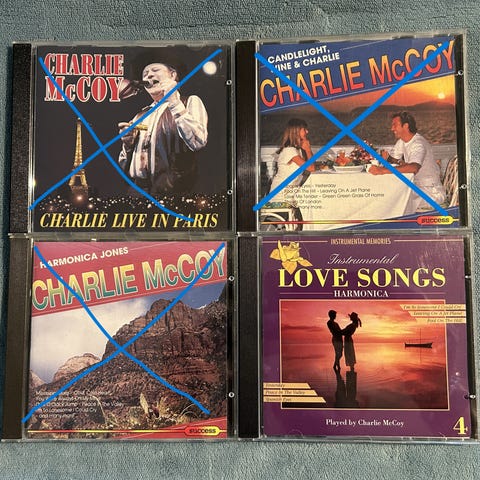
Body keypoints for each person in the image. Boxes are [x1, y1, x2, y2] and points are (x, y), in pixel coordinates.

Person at [118, 59, 208, 193]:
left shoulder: (189, 102)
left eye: (155, 70)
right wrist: (128, 145)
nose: (149, 75)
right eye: (145, 74)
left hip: (172, 192)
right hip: (137, 192)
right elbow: (123, 165)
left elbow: (198, 141)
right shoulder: (139, 116)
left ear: (172, 75)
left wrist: (175, 103)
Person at [368, 111, 446, 212]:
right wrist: (387, 158)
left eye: (395, 125)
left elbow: (414, 168)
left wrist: (382, 170)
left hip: (430, 193)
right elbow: (394, 159)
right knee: (387, 195)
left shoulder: (418, 144)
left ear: (405, 126)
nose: (392, 129)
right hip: (417, 187)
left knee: (392, 200)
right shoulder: (403, 141)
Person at [268, 118, 315, 203]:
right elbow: (311, 168)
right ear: (296, 131)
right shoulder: (290, 151)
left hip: (289, 193)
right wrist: (308, 149)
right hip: (280, 196)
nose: (307, 132)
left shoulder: (296, 150)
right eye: (304, 129)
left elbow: (310, 165)